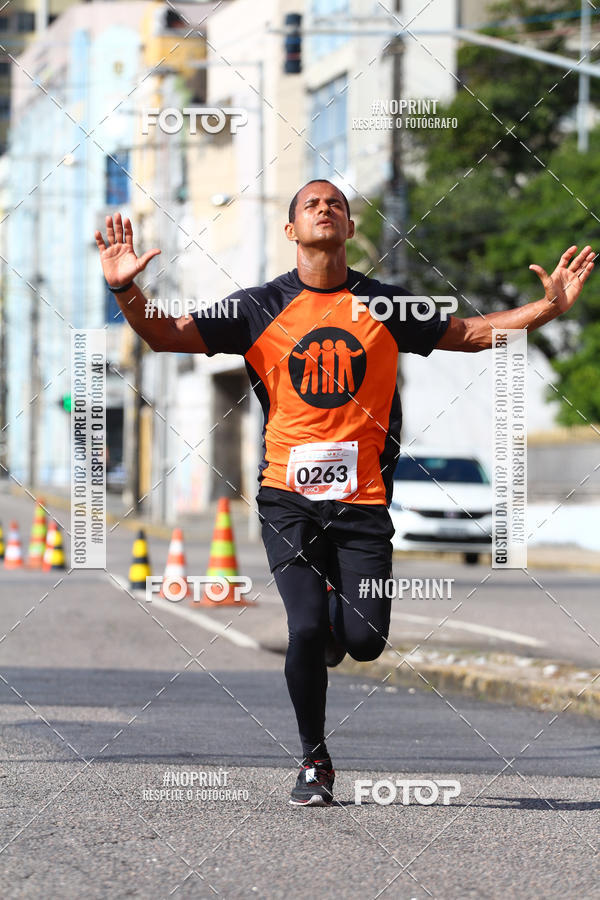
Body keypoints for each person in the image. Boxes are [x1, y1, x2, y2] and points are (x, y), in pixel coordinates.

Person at [95, 180, 594, 806]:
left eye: (337, 204)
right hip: (287, 499)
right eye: (311, 203)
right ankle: (313, 760)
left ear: (351, 230)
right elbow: (167, 336)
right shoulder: (257, 307)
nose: (325, 209)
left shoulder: (385, 305)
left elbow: (470, 333)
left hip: (362, 502)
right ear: (290, 231)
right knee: (304, 631)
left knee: (364, 641)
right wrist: (125, 288)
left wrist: (547, 310)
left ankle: (338, 613)